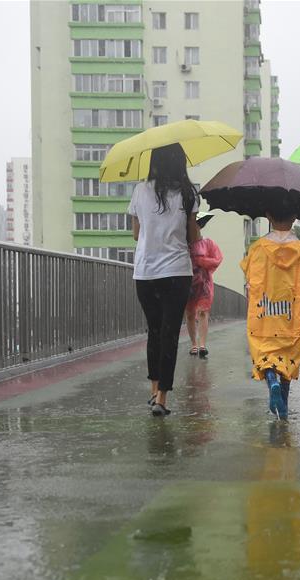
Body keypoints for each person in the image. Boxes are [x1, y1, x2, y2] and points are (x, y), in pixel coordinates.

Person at [129, 143, 200, 417]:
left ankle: (154, 387)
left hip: (146, 273)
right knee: (170, 334)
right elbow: (193, 237)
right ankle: (162, 398)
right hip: (177, 272)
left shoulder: (140, 190)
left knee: (154, 332)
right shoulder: (188, 193)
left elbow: (136, 234)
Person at [240, 205, 300, 419]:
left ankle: (271, 380)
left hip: (265, 317)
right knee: (288, 354)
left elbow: (248, 274)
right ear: (294, 217)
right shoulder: (299, 249)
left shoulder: (258, 248)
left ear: (268, 216)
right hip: (289, 317)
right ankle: (285, 404)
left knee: (266, 354)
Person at [186, 214, 223, 358]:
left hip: (204, 284)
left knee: (203, 312)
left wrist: (201, 261)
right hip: (187, 283)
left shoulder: (208, 243)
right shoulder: (182, 244)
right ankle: (193, 344)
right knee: (189, 314)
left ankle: (202, 345)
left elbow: (217, 259)